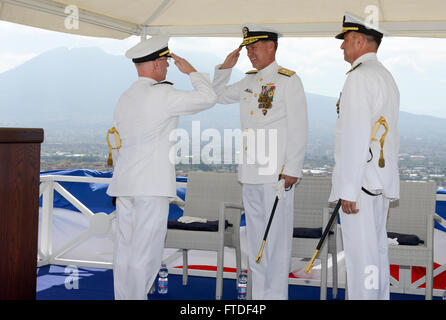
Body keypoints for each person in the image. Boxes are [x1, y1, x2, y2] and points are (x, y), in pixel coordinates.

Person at [106, 35, 217, 300]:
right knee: (146, 252)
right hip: (151, 187)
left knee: (124, 252)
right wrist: (192, 72)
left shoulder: (125, 96)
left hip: (125, 185)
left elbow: (116, 143)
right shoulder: (163, 94)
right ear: (156, 64)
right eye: (166, 62)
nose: (168, 67)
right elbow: (208, 97)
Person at [212, 24, 308, 299]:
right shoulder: (248, 80)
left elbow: (299, 127)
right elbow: (217, 97)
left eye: (254, 47)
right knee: (255, 242)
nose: (250, 53)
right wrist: (225, 69)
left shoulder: (288, 80)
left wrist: (291, 169)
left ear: (271, 46)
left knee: (275, 243)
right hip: (251, 174)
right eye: (247, 48)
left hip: (276, 176)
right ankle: (258, 298)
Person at [329, 12, 400, 300]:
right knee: (376, 253)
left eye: (345, 40)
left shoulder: (359, 78)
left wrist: (348, 190)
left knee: (361, 259)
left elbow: (356, 137)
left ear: (359, 40)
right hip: (378, 181)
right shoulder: (384, 75)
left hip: (361, 185)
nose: (342, 47)